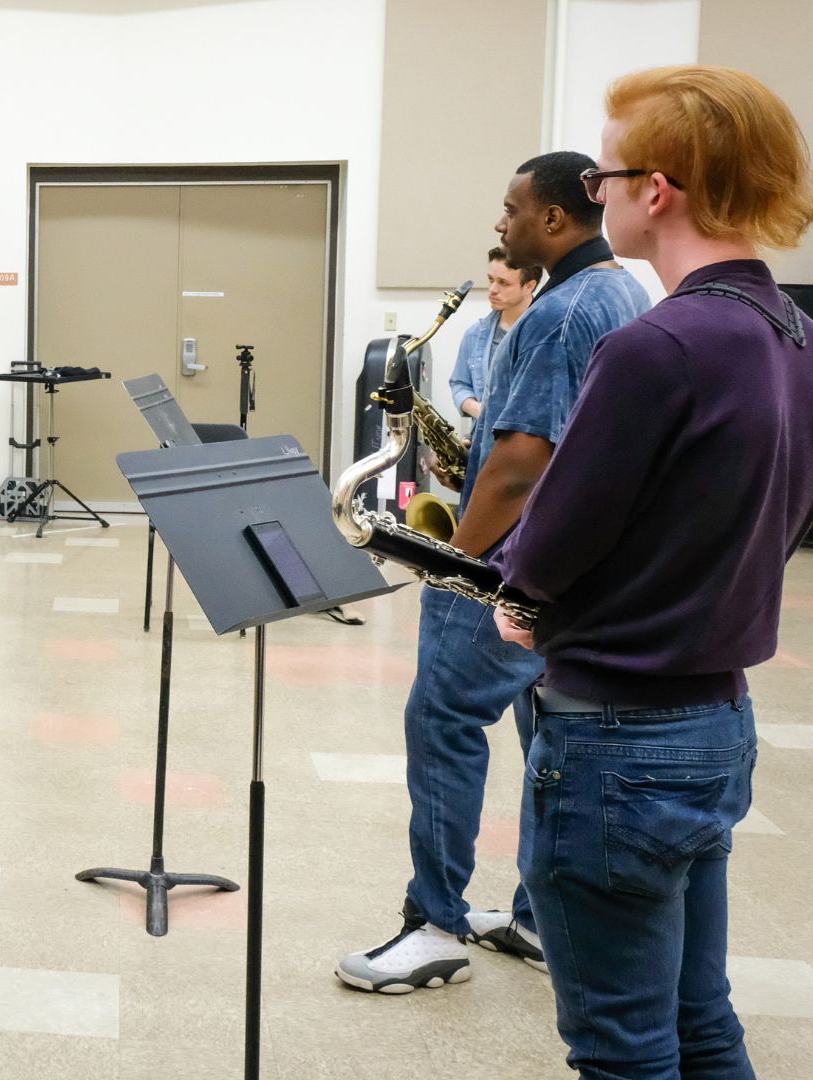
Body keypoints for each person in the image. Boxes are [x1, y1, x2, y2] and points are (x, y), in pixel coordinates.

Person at [493, 65, 813, 1077]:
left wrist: (518, 595)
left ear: (656, 188)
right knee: (700, 1023)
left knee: (622, 1050)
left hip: (618, 741)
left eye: (605, 176)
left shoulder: (657, 344)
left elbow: (551, 543)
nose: (599, 195)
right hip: (715, 720)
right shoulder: (794, 333)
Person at [338, 151, 651, 994]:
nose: (500, 226)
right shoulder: (623, 293)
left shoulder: (557, 313)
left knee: (441, 718)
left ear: (554, 220)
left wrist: (450, 564)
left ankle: (433, 923)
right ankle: (533, 915)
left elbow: (517, 464)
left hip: (510, 566)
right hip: (574, 569)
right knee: (543, 734)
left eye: (511, 211)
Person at [447, 246, 539, 423]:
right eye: (491, 280)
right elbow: (460, 384)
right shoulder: (474, 334)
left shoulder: (549, 334)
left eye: (503, 283)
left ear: (529, 286)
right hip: (483, 441)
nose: (492, 289)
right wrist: (477, 410)